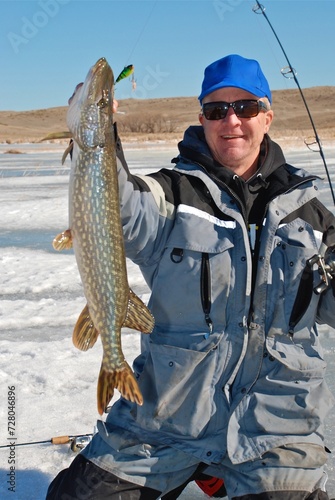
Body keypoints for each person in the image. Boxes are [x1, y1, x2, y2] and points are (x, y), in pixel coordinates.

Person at [46, 54, 335, 500]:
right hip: (165, 424)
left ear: (268, 116)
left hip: (276, 432)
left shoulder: (316, 208)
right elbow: (119, 208)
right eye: (217, 110)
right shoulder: (170, 194)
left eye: (246, 107)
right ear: (202, 118)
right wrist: (101, 130)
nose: (231, 120)